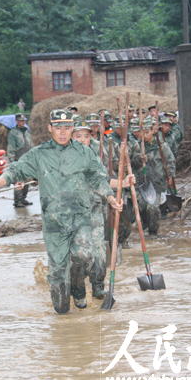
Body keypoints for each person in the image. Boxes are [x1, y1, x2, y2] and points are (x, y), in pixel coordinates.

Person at [0, 109, 123, 314]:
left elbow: (97, 177)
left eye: (67, 128)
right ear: (50, 129)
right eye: (58, 128)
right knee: (59, 274)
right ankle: (62, 313)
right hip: (55, 222)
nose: (62, 132)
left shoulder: (84, 152)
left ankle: (78, 290)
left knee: (84, 257)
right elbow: (16, 169)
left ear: (72, 129)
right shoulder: (39, 154)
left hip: (80, 217)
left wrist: (110, 197)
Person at [71, 119, 134, 299]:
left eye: (86, 136)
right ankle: (75, 286)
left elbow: (103, 181)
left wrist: (123, 183)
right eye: (78, 136)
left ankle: (98, 286)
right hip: (73, 213)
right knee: (80, 254)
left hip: (95, 211)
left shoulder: (92, 158)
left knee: (99, 251)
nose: (82, 140)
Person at [128, 116, 175, 235]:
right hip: (141, 183)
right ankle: (144, 225)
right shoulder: (136, 146)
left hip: (157, 183)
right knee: (141, 207)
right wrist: (138, 159)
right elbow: (130, 164)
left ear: (152, 132)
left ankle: (153, 231)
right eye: (142, 132)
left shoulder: (161, 146)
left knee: (152, 208)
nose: (144, 135)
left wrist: (170, 176)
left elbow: (170, 161)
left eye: (147, 132)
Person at [7, 113, 33, 207]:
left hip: (28, 159)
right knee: (19, 180)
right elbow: (11, 147)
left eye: (24, 120)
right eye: (21, 120)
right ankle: (17, 201)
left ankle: (23, 198)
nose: (22, 122)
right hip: (18, 158)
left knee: (26, 180)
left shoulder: (27, 131)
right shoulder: (13, 132)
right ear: (17, 121)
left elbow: (31, 144)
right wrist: (12, 159)